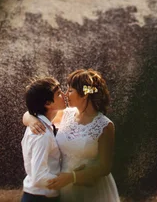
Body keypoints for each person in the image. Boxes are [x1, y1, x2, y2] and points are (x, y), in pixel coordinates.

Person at [23, 69, 120, 202]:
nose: (65, 94)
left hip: (91, 189)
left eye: (70, 90)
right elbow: (36, 111)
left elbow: (105, 166)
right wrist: (30, 120)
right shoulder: (65, 114)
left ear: (85, 94)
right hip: (62, 186)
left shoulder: (105, 125)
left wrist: (73, 177)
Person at [21, 77, 67, 201]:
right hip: (41, 197)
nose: (64, 95)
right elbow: (39, 176)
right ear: (48, 103)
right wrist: (68, 181)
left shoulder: (41, 125)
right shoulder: (42, 133)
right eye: (58, 94)